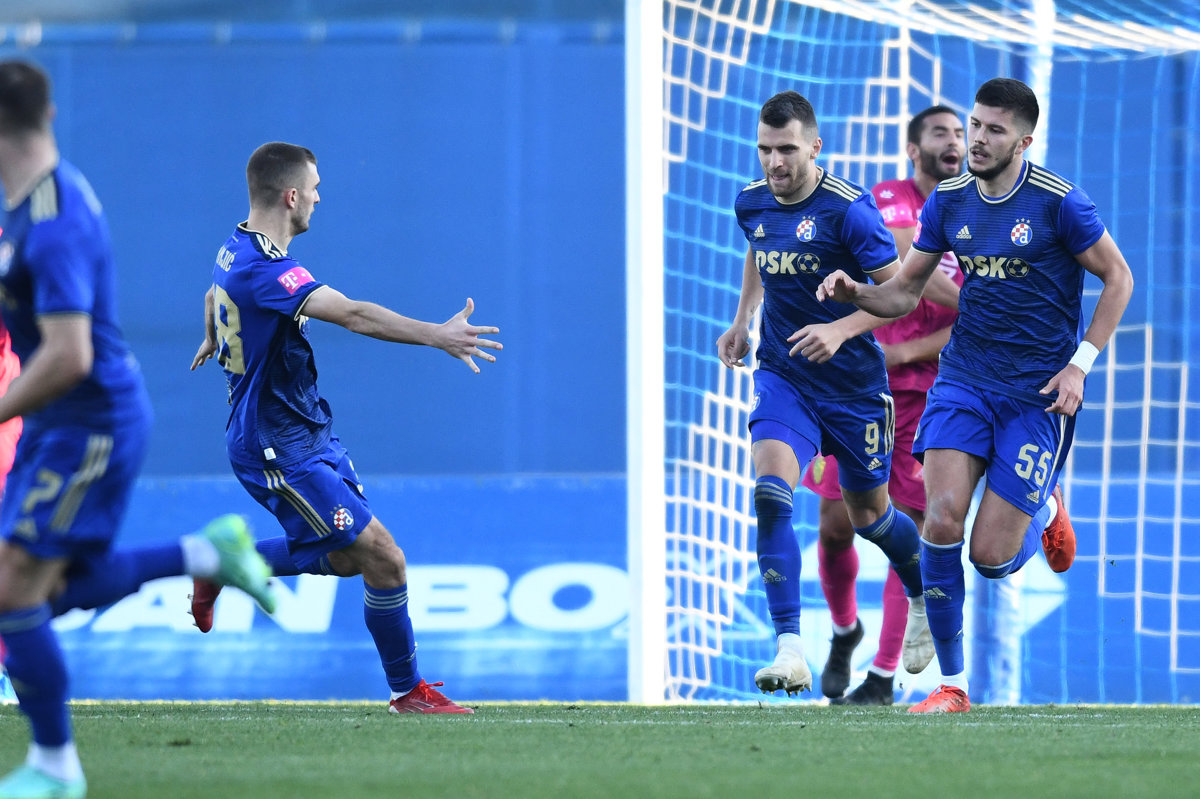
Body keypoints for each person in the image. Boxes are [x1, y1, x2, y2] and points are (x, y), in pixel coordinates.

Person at [0, 59, 276, 799]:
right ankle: (205, 550)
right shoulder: (29, 205)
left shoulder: (53, 222)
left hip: (87, 425)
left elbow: (68, 356)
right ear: (49, 114)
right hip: (65, 424)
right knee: (52, 592)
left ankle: (56, 768)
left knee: (12, 588)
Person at [818, 77, 1134, 713]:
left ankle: (1044, 508)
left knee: (990, 557)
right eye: (974, 125)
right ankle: (953, 687)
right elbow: (905, 291)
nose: (976, 140)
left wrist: (1080, 366)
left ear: (1024, 139)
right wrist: (856, 294)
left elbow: (1119, 278)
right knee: (938, 522)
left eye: (991, 130)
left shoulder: (1059, 203)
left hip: (1039, 393)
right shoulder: (950, 202)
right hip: (962, 381)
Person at [189, 141, 502, 715]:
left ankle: (218, 563)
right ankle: (408, 693)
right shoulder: (268, 268)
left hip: (305, 430)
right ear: (290, 196)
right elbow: (354, 314)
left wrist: (213, 331)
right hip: (274, 446)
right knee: (384, 557)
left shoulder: (237, 247)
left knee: (351, 556)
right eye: (313, 187)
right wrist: (438, 335)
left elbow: (215, 287)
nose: (317, 197)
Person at [716, 90, 958, 696]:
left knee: (871, 518)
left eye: (788, 150)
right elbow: (759, 251)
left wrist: (841, 327)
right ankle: (791, 646)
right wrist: (743, 319)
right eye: (766, 149)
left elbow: (897, 297)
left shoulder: (850, 211)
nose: (775, 163)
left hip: (853, 388)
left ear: (815, 146)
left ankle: (922, 590)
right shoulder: (751, 201)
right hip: (784, 374)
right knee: (771, 494)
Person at [805, 105, 966, 705]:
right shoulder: (888, 201)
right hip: (859, 387)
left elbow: (973, 321)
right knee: (834, 525)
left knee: (913, 524)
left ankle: (882, 674)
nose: (953, 142)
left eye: (960, 133)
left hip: (928, 393)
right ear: (913, 149)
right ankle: (844, 631)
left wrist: (910, 353)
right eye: (940, 134)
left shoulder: (975, 219)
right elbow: (900, 256)